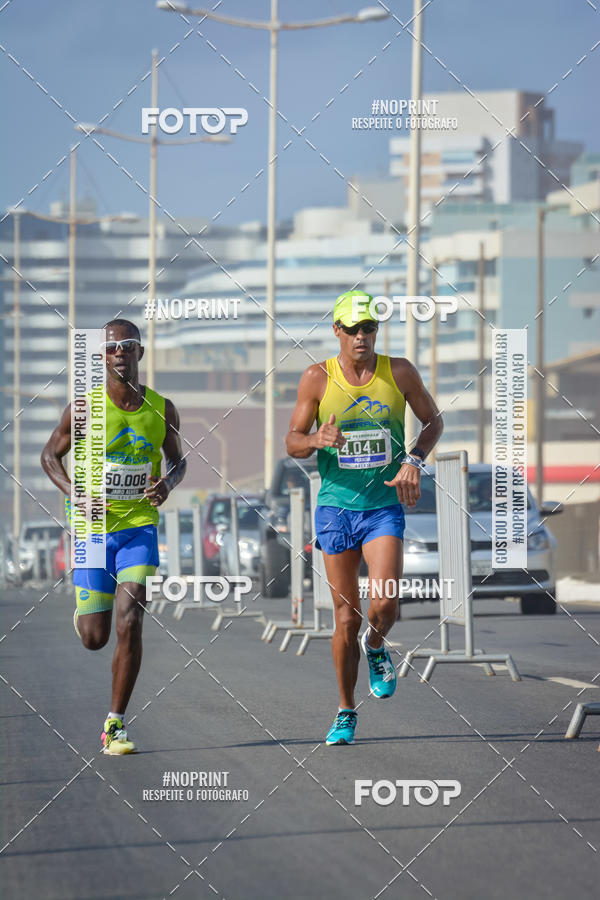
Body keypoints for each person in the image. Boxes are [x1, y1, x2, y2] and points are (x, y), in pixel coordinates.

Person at [286, 290, 443, 745]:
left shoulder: (400, 372)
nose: (361, 336)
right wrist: (316, 440)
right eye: (353, 328)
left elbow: (433, 421)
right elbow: (292, 441)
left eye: (369, 328)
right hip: (336, 507)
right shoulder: (317, 378)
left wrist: (414, 458)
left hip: (381, 506)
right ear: (337, 330)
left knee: (385, 603)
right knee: (345, 617)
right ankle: (345, 710)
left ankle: (376, 645)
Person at [41, 319, 186, 754]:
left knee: (131, 616)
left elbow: (178, 461)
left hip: (138, 525)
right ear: (102, 356)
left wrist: (167, 484)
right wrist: (75, 493)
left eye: (127, 345)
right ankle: (86, 613)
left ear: (140, 352)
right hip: (91, 530)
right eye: (110, 347)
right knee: (95, 637)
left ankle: (115, 724)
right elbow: (49, 456)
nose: (119, 352)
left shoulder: (161, 409)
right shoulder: (83, 409)